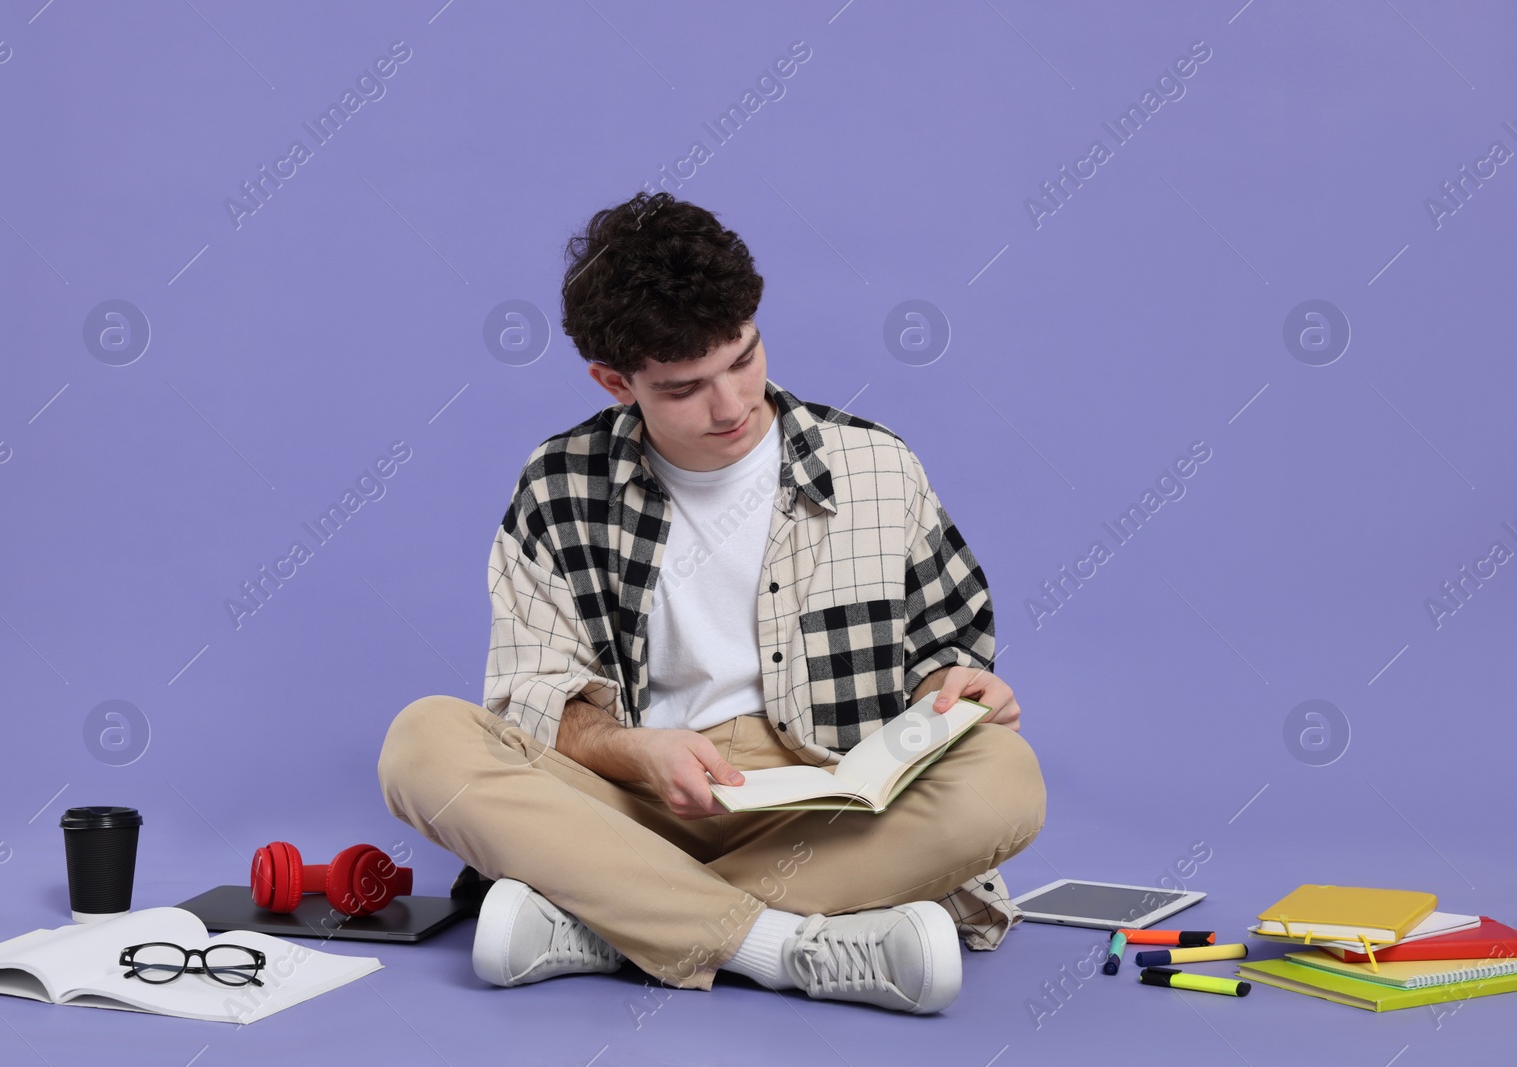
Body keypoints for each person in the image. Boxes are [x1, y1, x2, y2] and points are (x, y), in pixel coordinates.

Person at [377, 192, 1046, 1014]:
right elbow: (532, 697)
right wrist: (638, 751)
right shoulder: (558, 484)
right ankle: (782, 947)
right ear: (614, 382)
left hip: (825, 805)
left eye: (743, 358)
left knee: (1006, 777)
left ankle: (607, 920)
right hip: (630, 807)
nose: (732, 405)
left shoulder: (877, 465)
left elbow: (946, 646)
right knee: (423, 742)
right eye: (686, 387)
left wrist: (952, 691)